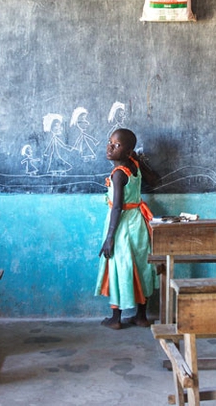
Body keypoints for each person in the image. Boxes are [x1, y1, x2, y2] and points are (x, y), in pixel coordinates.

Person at [94, 128, 158, 329]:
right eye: (110, 142)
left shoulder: (119, 174)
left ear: (129, 151)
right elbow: (154, 180)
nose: (110, 147)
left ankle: (116, 318)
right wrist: (138, 159)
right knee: (141, 265)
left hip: (122, 225)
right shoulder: (135, 167)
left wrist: (109, 237)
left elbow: (117, 207)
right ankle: (141, 316)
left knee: (119, 266)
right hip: (138, 222)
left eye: (117, 145)